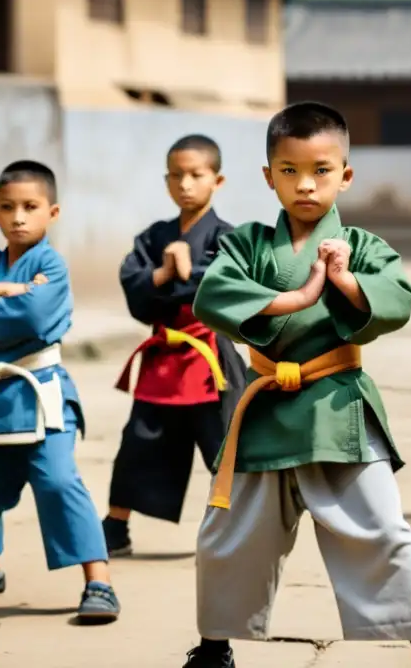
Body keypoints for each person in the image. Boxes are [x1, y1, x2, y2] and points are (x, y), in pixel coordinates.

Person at [180, 102, 411, 668]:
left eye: (322, 170)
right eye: (289, 170)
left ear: (345, 175)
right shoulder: (248, 243)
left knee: (382, 534)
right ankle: (214, 651)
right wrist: (301, 297)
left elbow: (396, 300)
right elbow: (212, 296)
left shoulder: (363, 245)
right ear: (268, 175)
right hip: (264, 413)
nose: (305, 185)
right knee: (228, 538)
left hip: (337, 410)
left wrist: (348, 281)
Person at [0, 160, 120, 623]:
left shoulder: (51, 265)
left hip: (42, 393)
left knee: (58, 482)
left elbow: (31, 318)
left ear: (52, 213)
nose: (19, 217)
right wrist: (0, 288)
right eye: (8, 207)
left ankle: (99, 582)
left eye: (30, 207)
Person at [102, 135, 247, 557]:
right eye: (177, 176)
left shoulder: (229, 237)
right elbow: (135, 287)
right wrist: (165, 274)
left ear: (216, 181)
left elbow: (225, 286)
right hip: (164, 356)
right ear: (167, 180)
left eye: (196, 175)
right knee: (138, 440)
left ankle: (238, 526)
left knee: (226, 444)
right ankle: (115, 525)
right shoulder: (154, 237)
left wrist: (183, 274)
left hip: (211, 357)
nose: (185, 184)